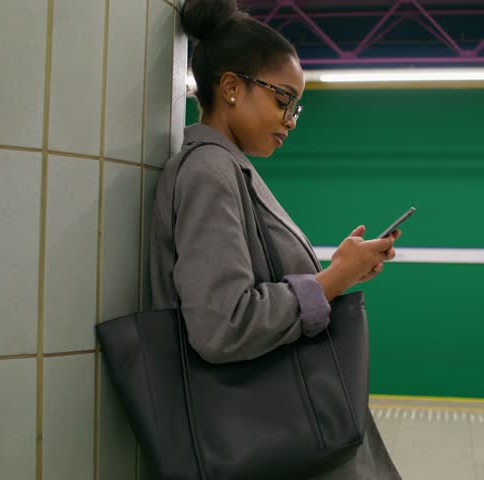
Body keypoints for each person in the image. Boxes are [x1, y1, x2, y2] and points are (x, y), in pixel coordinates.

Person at [149, 0, 403, 478]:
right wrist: (332, 279)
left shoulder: (228, 167)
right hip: (256, 430)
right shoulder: (209, 170)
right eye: (283, 99)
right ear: (230, 87)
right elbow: (223, 324)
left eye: (296, 106)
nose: (290, 118)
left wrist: (339, 273)